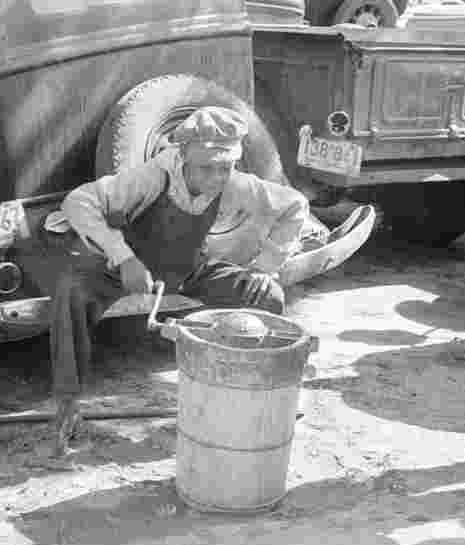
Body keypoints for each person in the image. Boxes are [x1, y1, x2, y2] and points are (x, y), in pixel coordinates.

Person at [45, 105, 308, 455]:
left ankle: (252, 395)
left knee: (266, 295)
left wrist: (266, 267)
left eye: (225, 168)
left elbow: (295, 206)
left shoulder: (232, 182)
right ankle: (68, 408)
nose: (217, 178)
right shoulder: (152, 177)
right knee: (72, 291)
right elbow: (78, 202)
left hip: (186, 271)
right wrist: (123, 257)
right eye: (207, 168)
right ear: (183, 157)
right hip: (130, 270)